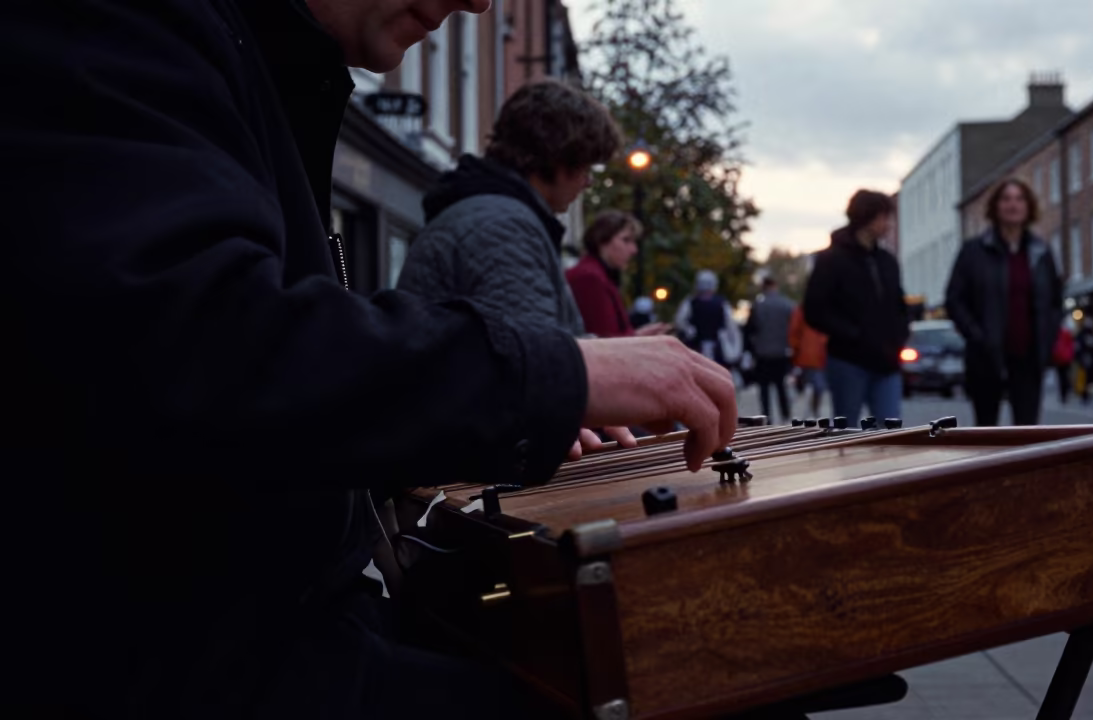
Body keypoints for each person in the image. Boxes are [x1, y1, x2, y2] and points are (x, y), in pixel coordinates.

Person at [1, 2, 737, 717]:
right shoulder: (122, 25)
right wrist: (557, 378)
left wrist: (532, 398)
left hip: (259, 630)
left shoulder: (261, 66)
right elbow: (202, 346)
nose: (479, 3)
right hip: (190, 657)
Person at [397, 80, 618, 339]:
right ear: (560, 158)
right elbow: (536, 359)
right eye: (586, 167)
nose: (587, 182)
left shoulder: (491, 216)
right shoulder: (502, 229)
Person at [946, 179, 1063, 426]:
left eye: (1019, 199)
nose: (1013, 205)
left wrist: (1048, 337)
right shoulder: (973, 251)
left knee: (1027, 430)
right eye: (1006, 199)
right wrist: (976, 335)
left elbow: (1054, 300)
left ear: (1028, 206)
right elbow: (955, 300)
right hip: (986, 355)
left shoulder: (1041, 252)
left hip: (1029, 356)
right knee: (987, 429)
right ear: (995, 207)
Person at [804, 191, 909, 422]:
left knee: (890, 430)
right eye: (884, 217)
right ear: (867, 217)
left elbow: (898, 304)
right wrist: (851, 334)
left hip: (887, 362)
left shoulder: (887, 261)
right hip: (848, 361)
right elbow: (814, 310)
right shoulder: (832, 260)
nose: (889, 224)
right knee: (848, 430)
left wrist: (900, 335)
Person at [566, 210, 671, 338]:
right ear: (602, 241)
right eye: (626, 240)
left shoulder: (598, 275)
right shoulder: (589, 278)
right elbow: (604, 340)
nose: (634, 250)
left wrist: (637, 335)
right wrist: (637, 337)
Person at [746, 277, 796, 423]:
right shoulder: (787, 305)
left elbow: (750, 329)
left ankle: (767, 416)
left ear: (764, 287)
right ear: (776, 286)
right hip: (782, 351)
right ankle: (785, 414)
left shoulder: (758, 306)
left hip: (763, 352)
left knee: (764, 388)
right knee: (781, 386)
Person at [675, 270, 743, 370]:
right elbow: (730, 325)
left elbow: (680, 321)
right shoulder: (721, 303)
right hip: (703, 344)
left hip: (706, 345)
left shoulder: (691, 302)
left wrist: (688, 330)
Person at [789, 304, 829, 418]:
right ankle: (812, 413)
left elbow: (793, 332)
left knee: (811, 387)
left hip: (808, 356)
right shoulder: (827, 309)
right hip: (816, 356)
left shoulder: (802, 310)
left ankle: (807, 414)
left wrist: (795, 350)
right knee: (816, 387)